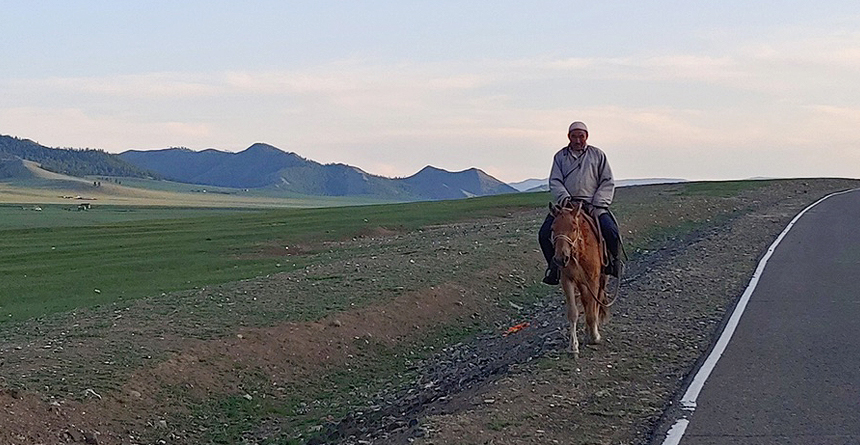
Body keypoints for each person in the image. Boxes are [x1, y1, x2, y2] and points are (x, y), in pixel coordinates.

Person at [538, 121, 621, 285]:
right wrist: (564, 197)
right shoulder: (560, 156)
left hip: (592, 204)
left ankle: (613, 263)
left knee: (611, 230)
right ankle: (554, 268)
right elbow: (555, 180)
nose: (577, 140)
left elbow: (607, 180)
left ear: (586, 137)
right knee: (544, 234)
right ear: (569, 137)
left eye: (581, 136)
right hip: (567, 205)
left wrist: (598, 201)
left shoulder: (597, 155)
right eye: (574, 136)